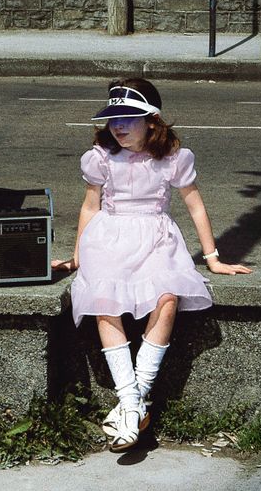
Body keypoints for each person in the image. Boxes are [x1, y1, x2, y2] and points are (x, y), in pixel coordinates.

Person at [53, 78, 250, 452]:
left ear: (152, 121)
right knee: (104, 304)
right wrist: (78, 255)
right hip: (108, 238)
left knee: (167, 298)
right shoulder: (100, 157)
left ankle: (131, 402)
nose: (119, 127)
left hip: (157, 238)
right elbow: (90, 207)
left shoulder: (173, 158)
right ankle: (132, 403)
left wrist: (213, 259)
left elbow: (195, 204)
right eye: (113, 119)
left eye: (129, 118)